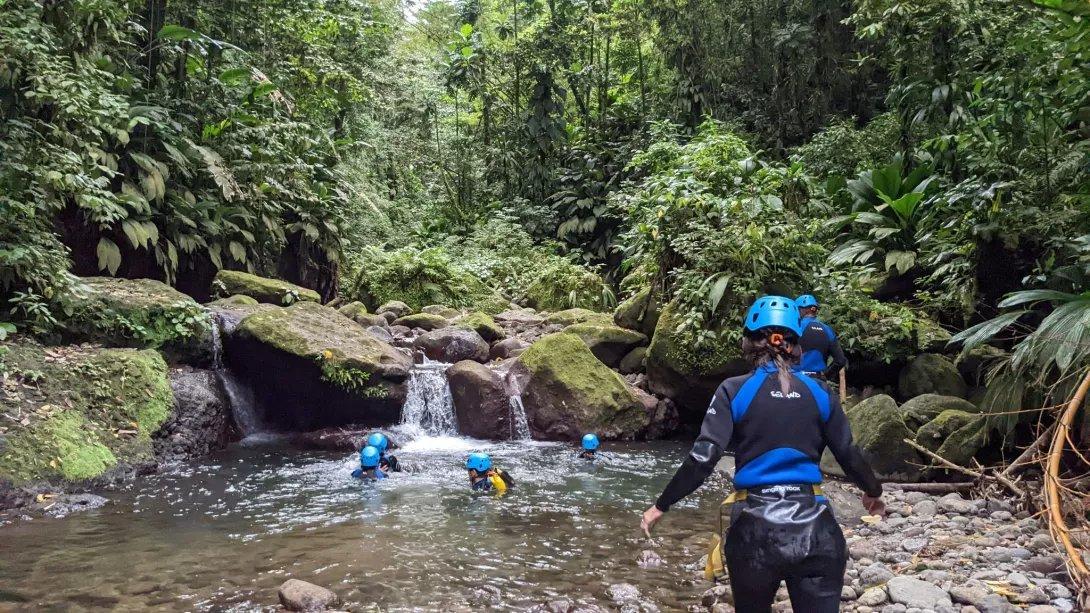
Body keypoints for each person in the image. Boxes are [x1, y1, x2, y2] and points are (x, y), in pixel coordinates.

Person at [640, 295, 884, 613]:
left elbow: (703, 458)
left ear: (748, 343)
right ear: (797, 346)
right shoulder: (821, 393)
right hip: (817, 532)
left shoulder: (733, 390)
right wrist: (873, 491)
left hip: (754, 532)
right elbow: (848, 453)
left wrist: (661, 505)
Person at [795, 294, 847, 380]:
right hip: (819, 381)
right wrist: (826, 376)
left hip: (797, 379)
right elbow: (841, 360)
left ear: (801, 309)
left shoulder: (796, 327)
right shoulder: (828, 330)